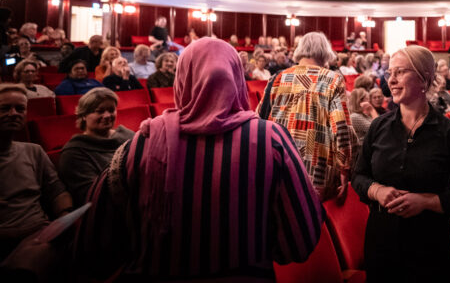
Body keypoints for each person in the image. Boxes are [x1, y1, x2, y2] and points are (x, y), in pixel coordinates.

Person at [75, 38, 324, 280]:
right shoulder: (271, 139)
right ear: (237, 79)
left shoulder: (140, 143)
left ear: (182, 80)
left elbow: (92, 243)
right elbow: (301, 240)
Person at [352, 45, 450, 282]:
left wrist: (427, 201)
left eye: (400, 72)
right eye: (390, 73)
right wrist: (376, 190)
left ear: (424, 78)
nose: (391, 80)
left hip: (429, 247)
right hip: (381, 242)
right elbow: (358, 176)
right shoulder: (378, 128)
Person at [259, 32, 354, 201]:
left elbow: (259, 119)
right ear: (325, 52)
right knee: (310, 220)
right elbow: (340, 128)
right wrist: (344, 168)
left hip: (278, 161)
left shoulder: (278, 78)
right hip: (315, 166)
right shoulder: (333, 80)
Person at [0, 84, 73, 260]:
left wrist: (65, 218)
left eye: (20, 109)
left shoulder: (34, 151)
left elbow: (57, 192)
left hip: (39, 233)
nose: (13, 113)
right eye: (4, 108)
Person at [58, 88, 134, 205]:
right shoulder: (74, 152)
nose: (107, 115)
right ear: (83, 115)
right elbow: (93, 195)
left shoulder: (128, 135)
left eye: (111, 110)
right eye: (100, 111)